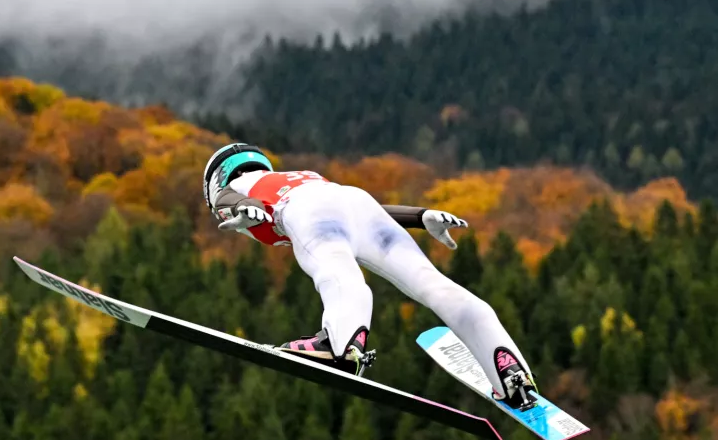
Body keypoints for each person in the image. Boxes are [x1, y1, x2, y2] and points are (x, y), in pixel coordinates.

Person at [203, 143, 538, 409]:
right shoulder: (300, 175)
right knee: (435, 285)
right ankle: (510, 373)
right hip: (358, 203)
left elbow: (226, 198)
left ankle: (340, 348)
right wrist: (420, 216)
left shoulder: (238, 186)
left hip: (307, 210)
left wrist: (239, 206)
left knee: (338, 272)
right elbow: (355, 211)